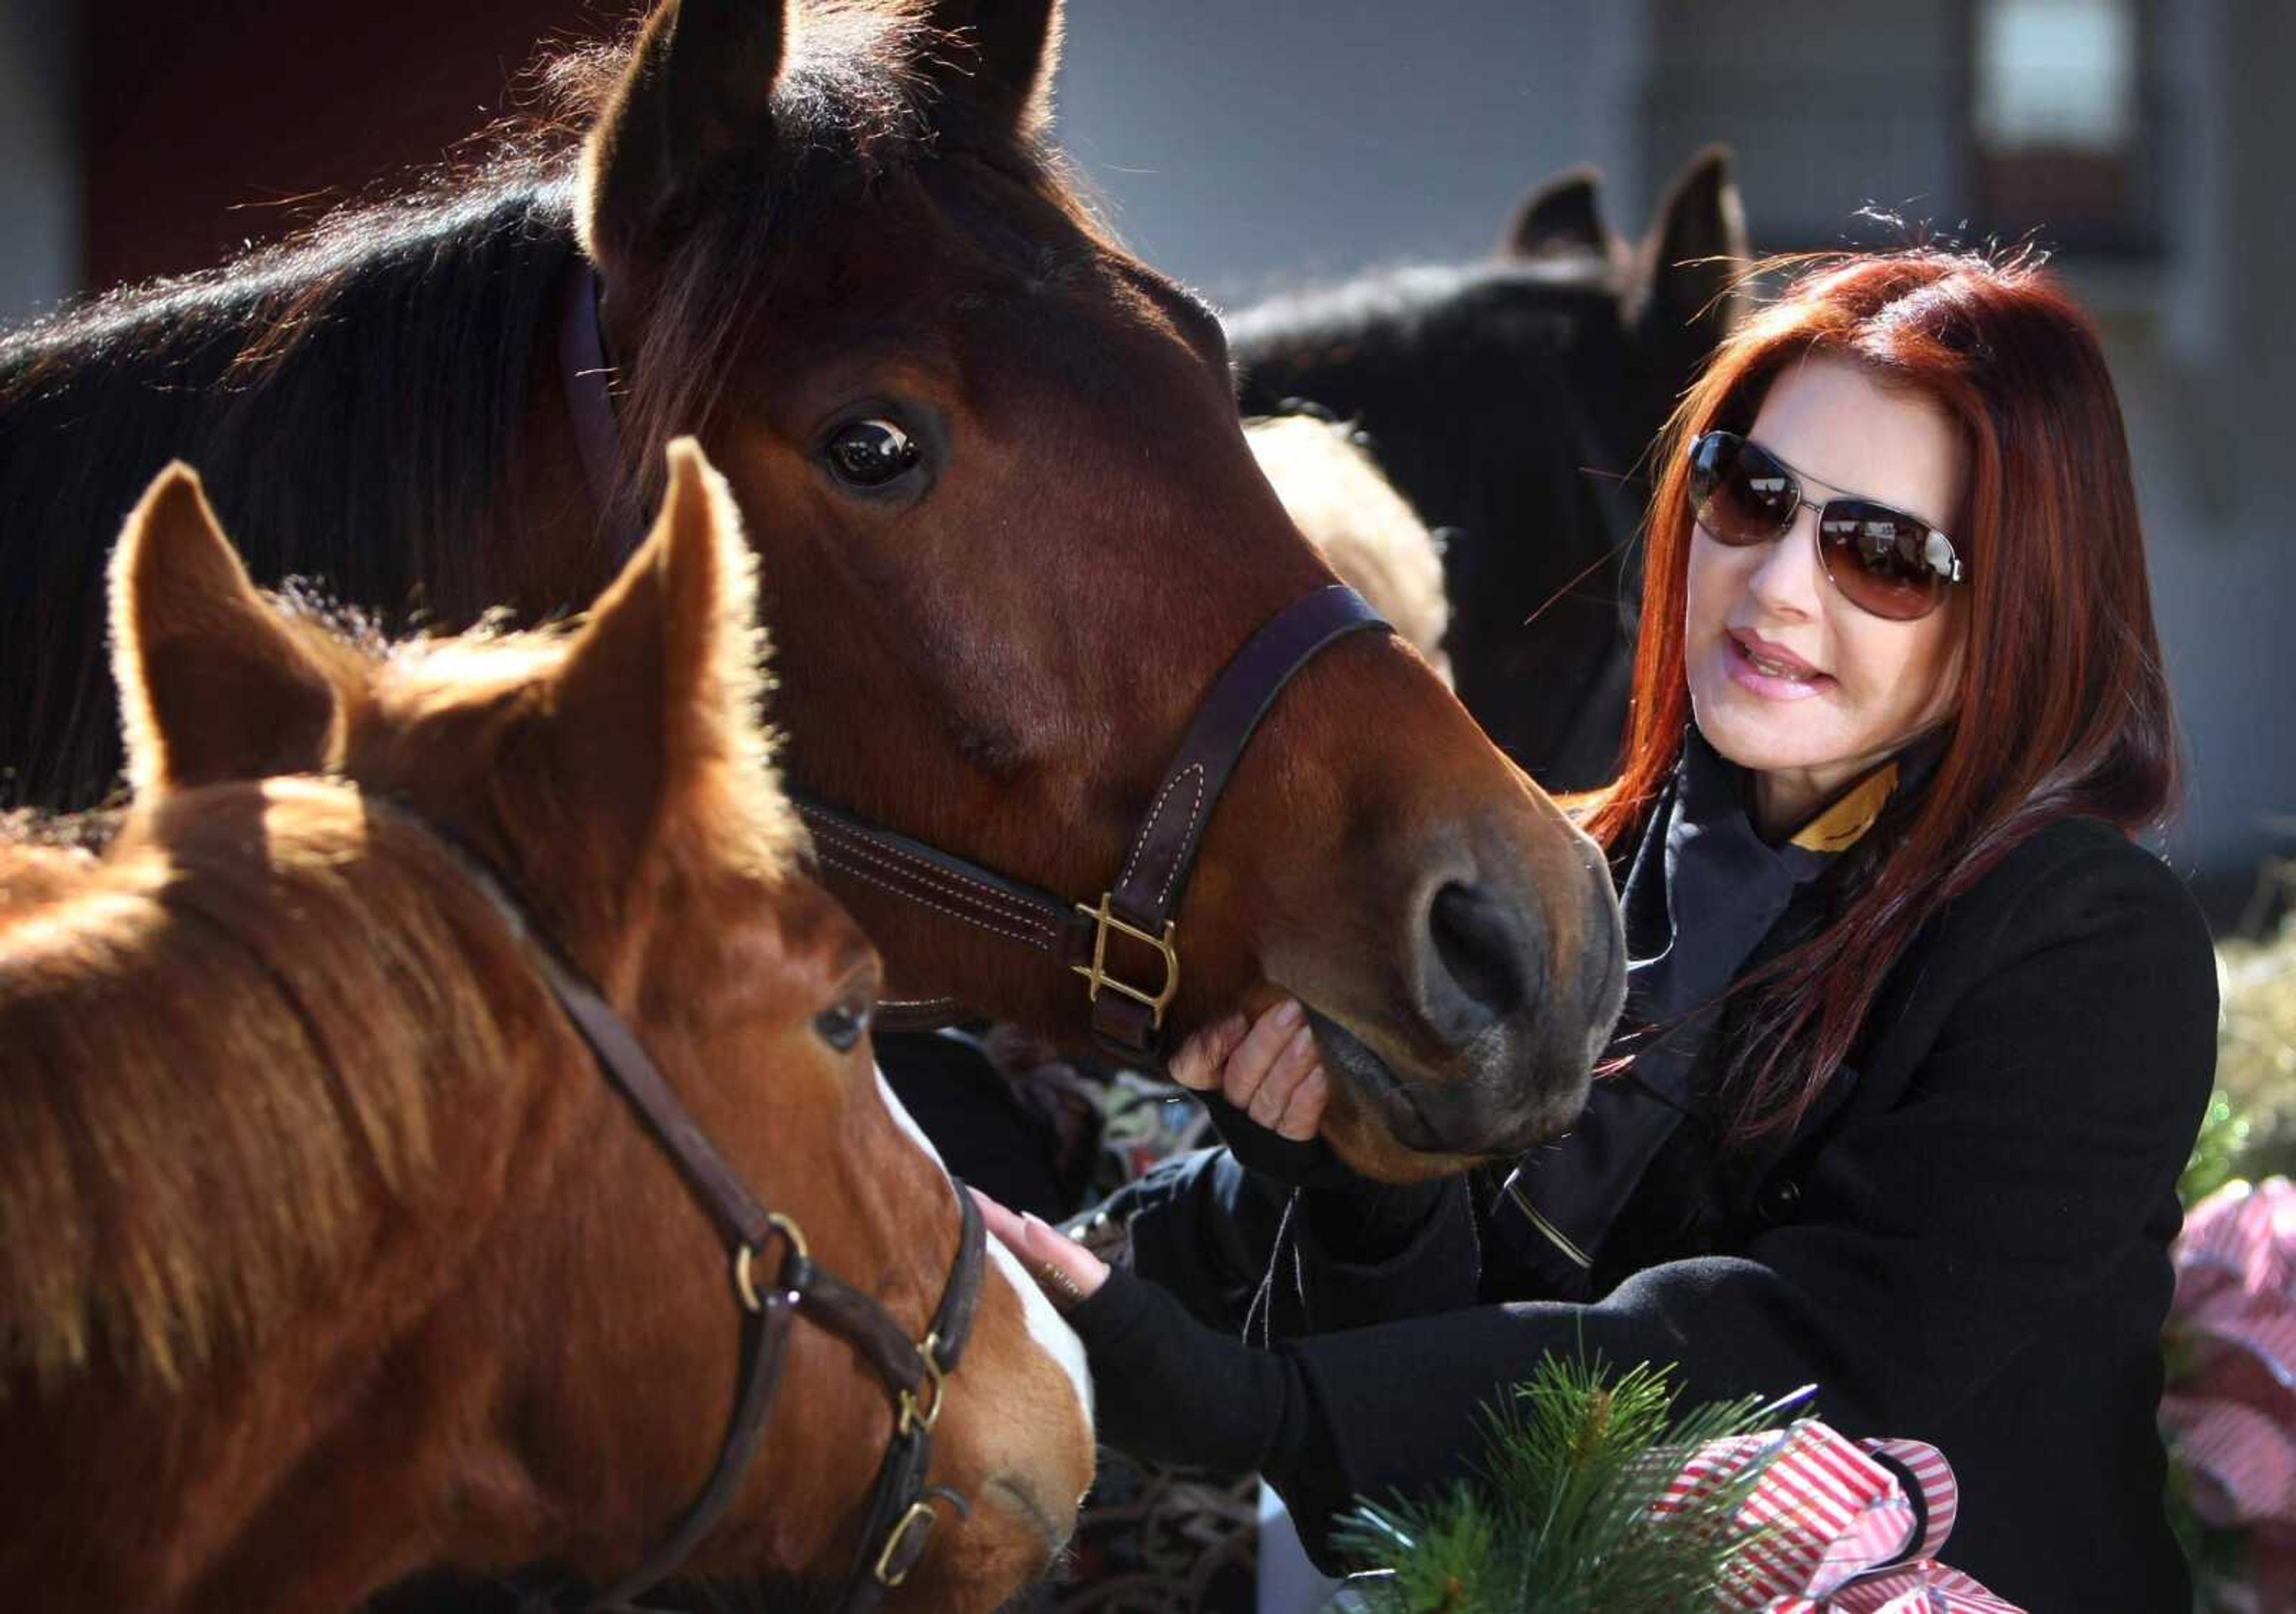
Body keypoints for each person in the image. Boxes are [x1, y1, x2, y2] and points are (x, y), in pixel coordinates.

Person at [978, 246, 2218, 1612]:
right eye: (1751, 494)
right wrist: (1359, 1184)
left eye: (1882, 555)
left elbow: (1804, 1353)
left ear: (2017, 612)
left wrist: (1270, 1407)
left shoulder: (2090, 948)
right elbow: (1421, 1535)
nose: (1779, 588)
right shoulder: (1574, 877)